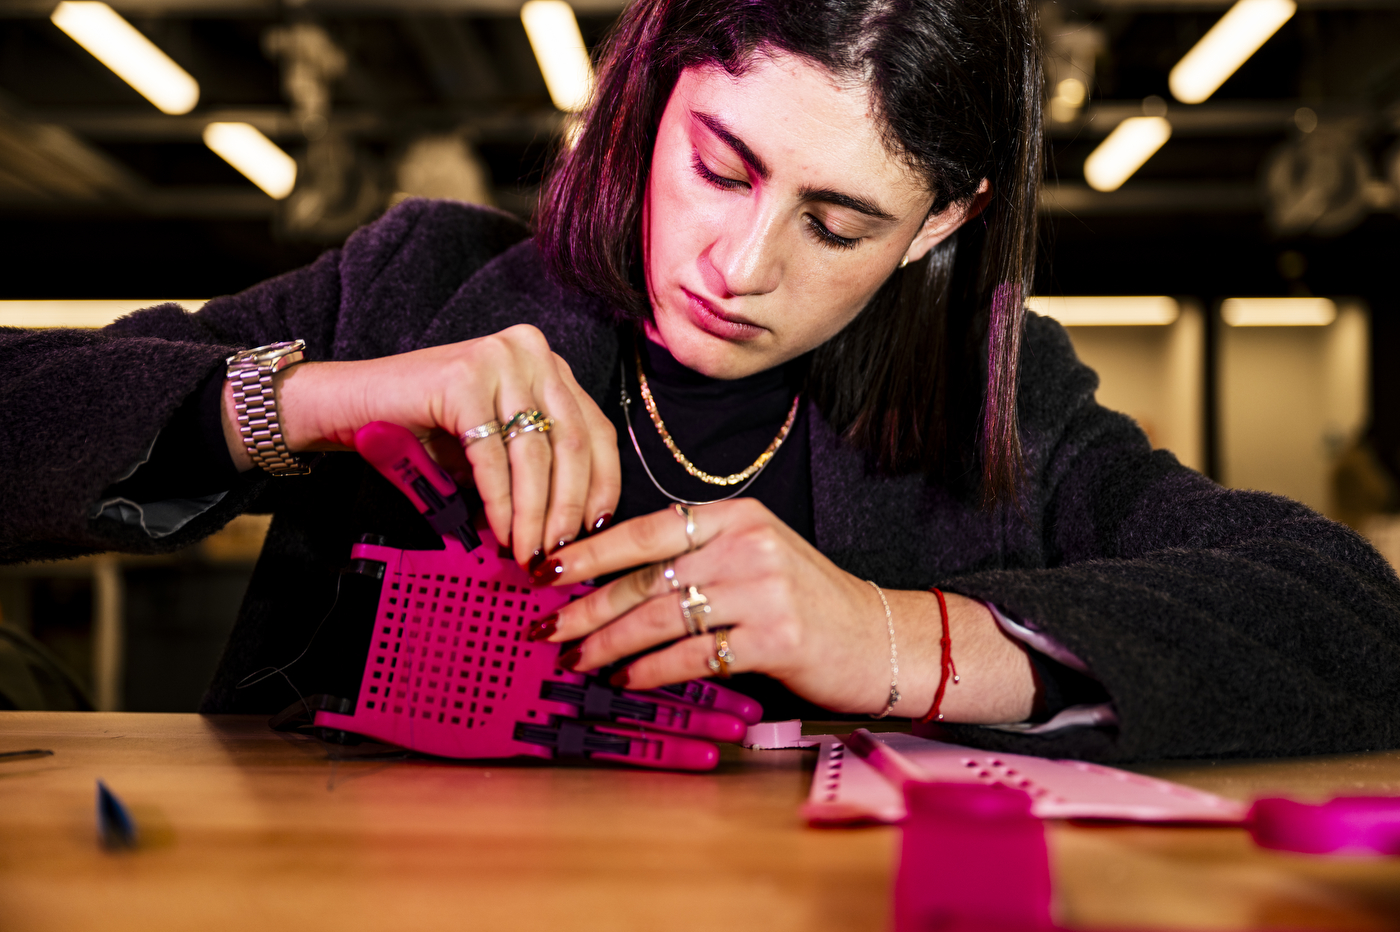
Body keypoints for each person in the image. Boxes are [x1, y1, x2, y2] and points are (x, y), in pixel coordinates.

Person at [3, 0, 1399, 762]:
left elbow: (1350, 620)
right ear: (653, 98)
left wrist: (890, 637)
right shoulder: (418, 286)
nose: (738, 262)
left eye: (838, 223)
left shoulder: (1008, 402)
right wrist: (309, 399)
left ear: (942, 228)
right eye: (719, 165)